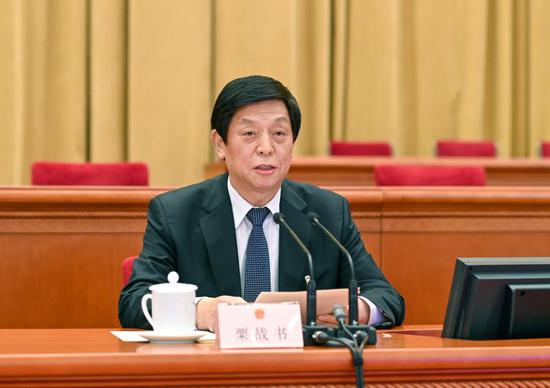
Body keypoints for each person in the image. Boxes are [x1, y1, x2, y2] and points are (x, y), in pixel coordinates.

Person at [119, 75, 405, 331]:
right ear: (220, 144)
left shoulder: (327, 213)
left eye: (279, 134)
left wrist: (358, 311)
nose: (267, 147)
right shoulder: (175, 213)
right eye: (249, 134)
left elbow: (384, 295)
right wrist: (199, 311)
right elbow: (134, 301)